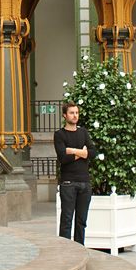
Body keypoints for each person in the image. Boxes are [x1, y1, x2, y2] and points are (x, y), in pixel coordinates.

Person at [54, 102, 95, 245]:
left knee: (81, 222)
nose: (75, 116)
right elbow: (63, 158)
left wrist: (72, 151)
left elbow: (92, 153)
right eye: (72, 113)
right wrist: (82, 153)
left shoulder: (83, 132)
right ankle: (65, 250)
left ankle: (80, 248)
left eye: (76, 113)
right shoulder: (59, 135)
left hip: (85, 182)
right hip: (68, 183)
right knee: (66, 220)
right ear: (65, 115)